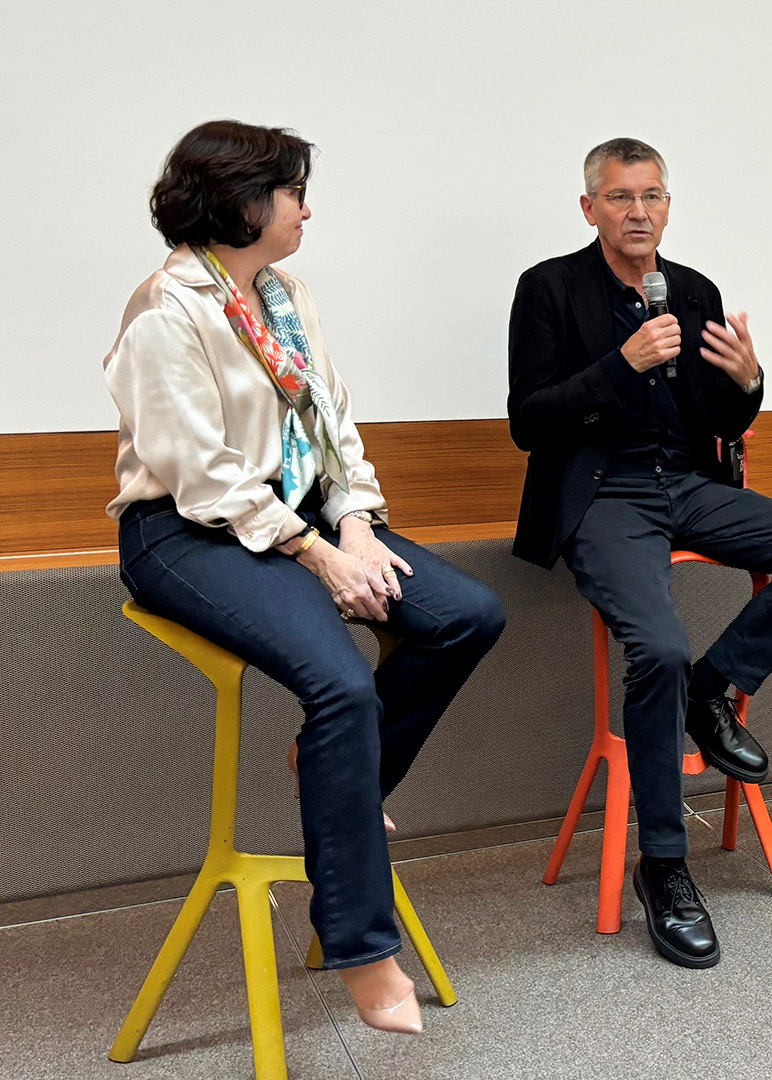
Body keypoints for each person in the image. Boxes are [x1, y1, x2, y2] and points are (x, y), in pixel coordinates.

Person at [106, 121, 506, 1034]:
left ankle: (339, 780)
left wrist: (358, 523)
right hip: (187, 532)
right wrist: (319, 557)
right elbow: (203, 476)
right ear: (245, 202)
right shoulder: (166, 309)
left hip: (300, 514)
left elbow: (336, 425)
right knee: (337, 685)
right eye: (293, 193)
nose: (305, 208)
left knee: (465, 615)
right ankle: (363, 949)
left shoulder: (287, 297)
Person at [508, 138, 772, 965]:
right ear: (590, 206)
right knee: (659, 647)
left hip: (688, 484)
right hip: (604, 493)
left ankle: (713, 689)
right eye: (622, 197)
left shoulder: (692, 289)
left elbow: (722, 421)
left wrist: (749, 383)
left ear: (669, 206)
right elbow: (529, 420)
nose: (639, 213)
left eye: (653, 197)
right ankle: (664, 866)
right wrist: (618, 367)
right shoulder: (550, 289)